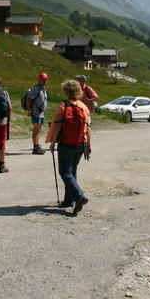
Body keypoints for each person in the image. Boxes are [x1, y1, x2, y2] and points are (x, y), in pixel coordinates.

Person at [46, 80, 92, 215]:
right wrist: (89, 144)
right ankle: (68, 200)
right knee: (72, 171)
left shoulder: (62, 106)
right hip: (80, 143)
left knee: (65, 172)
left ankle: (79, 196)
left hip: (66, 143)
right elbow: (87, 128)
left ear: (66, 91)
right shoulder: (84, 107)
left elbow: (57, 126)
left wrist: (53, 142)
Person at [26, 72, 48, 155]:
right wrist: (29, 110)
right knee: (36, 130)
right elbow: (29, 98)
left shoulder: (43, 89)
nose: (45, 81)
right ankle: (35, 147)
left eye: (46, 80)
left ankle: (37, 145)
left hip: (41, 113)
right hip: (36, 112)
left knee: (39, 130)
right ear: (39, 79)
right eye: (43, 80)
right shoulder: (36, 88)